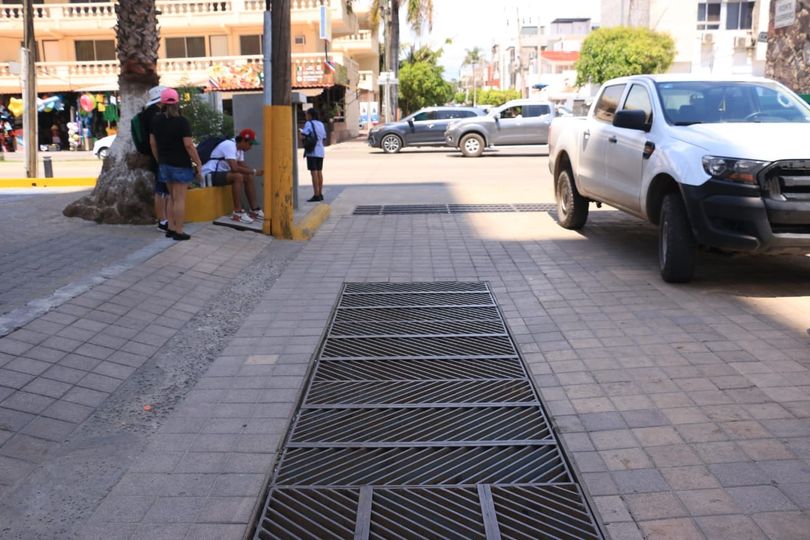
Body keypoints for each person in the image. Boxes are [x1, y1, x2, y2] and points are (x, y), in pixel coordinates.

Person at [149, 88, 202, 241]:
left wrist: (159, 159)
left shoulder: (156, 121)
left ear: (162, 103)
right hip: (180, 164)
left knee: (171, 197)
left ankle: (171, 228)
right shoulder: (182, 122)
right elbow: (189, 146)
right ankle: (179, 231)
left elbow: (152, 143)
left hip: (164, 164)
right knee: (179, 199)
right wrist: (198, 163)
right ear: (177, 102)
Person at [200, 129, 264, 224]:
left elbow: (242, 165)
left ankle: (254, 210)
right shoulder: (229, 145)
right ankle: (237, 212)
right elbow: (234, 168)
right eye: (250, 144)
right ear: (243, 140)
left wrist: (255, 172)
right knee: (238, 177)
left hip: (220, 174)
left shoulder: (240, 149)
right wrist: (254, 171)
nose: (250, 147)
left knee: (248, 176)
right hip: (209, 174)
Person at [140, 85, 170, 231]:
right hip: (160, 156)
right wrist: (159, 159)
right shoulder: (156, 115)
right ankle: (163, 221)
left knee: (162, 190)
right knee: (162, 190)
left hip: (156, 156)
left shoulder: (148, 113)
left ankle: (163, 219)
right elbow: (154, 141)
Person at [300, 109, 327, 202]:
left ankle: (316, 194)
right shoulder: (321, 124)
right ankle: (320, 193)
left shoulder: (309, 124)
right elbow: (324, 138)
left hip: (312, 152)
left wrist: (301, 134)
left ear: (310, 115)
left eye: (306, 114)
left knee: (313, 173)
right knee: (319, 172)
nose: (306, 116)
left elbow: (304, 135)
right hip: (320, 151)